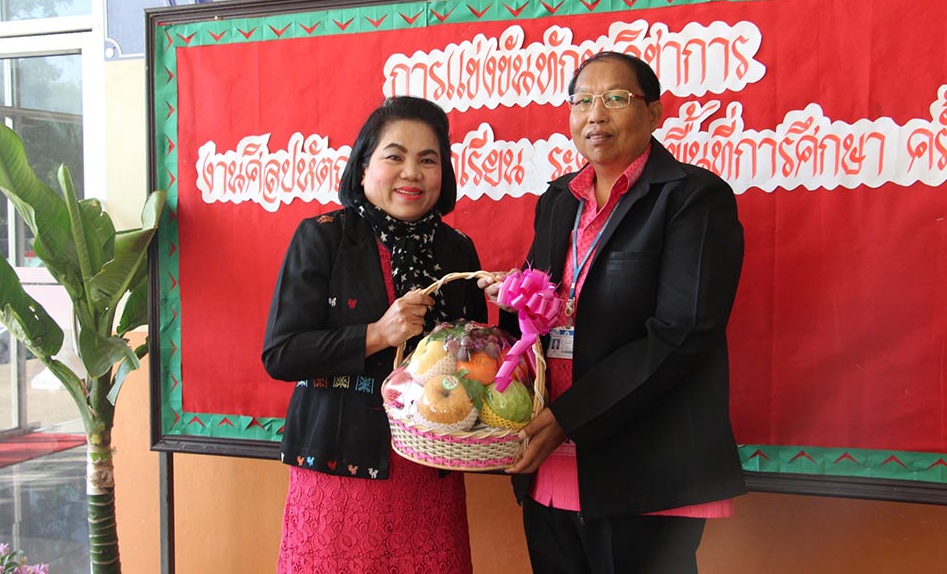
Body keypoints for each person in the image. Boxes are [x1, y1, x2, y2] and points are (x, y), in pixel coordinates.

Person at [481, 51, 747, 573]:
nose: (595, 114)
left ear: (655, 113)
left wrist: (569, 417)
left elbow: (682, 332)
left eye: (616, 98)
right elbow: (543, 312)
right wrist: (514, 301)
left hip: (643, 468)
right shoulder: (558, 200)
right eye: (582, 101)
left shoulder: (693, 198)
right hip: (549, 461)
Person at [262, 96, 487, 574]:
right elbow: (282, 354)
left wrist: (513, 320)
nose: (412, 173)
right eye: (395, 156)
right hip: (340, 474)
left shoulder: (458, 250)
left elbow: (476, 367)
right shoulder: (324, 236)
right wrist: (377, 334)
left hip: (431, 475)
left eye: (428, 160)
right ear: (363, 167)